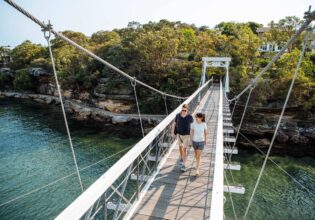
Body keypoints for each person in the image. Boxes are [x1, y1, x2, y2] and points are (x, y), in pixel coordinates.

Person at [172, 104, 193, 172]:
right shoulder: (178, 115)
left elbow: (192, 127)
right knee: (180, 147)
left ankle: (183, 165)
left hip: (186, 135)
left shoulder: (189, 116)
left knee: (184, 149)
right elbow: (174, 124)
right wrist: (172, 133)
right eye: (182, 109)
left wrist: (191, 138)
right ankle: (182, 157)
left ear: (187, 110)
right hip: (179, 134)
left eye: (185, 110)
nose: (183, 111)